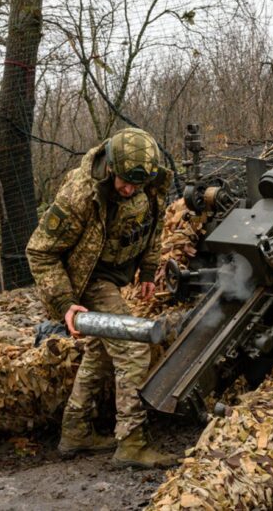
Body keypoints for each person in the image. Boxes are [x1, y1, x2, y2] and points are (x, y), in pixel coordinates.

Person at [26, 127, 176, 468]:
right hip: (88, 279)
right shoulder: (79, 194)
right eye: (125, 182)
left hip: (116, 273)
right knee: (134, 347)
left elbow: (153, 225)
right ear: (110, 167)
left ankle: (76, 431)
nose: (130, 189)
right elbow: (39, 252)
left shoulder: (151, 178)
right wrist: (64, 305)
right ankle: (132, 443)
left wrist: (150, 271)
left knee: (100, 351)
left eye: (138, 185)